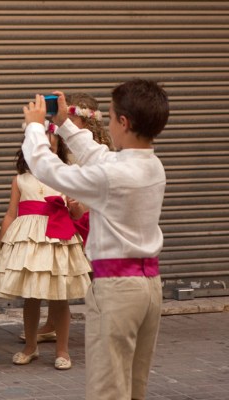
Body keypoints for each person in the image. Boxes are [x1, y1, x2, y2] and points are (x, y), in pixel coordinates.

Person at [21, 80, 169, 399]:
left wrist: (35, 129)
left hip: (117, 290)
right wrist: (62, 123)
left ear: (124, 123)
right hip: (149, 287)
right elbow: (99, 156)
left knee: (108, 389)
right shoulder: (153, 166)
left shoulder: (113, 176)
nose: (109, 123)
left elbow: (49, 170)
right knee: (133, 387)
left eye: (112, 116)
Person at [0, 125, 91, 370]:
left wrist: (75, 206)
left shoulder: (67, 174)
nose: (47, 140)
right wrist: (0, 245)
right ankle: (30, 346)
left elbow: (79, 213)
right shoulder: (20, 179)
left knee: (59, 297)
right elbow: (11, 214)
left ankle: (62, 350)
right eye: (41, 138)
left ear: (59, 143)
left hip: (58, 238)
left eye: (51, 136)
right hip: (29, 240)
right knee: (31, 296)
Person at [22, 91, 112, 343]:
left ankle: (104, 321)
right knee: (58, 268)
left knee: (93, 271)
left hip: (88, 215)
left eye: (72, 116)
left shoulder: (96, 149)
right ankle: (52, 323)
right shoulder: (63, 142)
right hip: (66, 213)